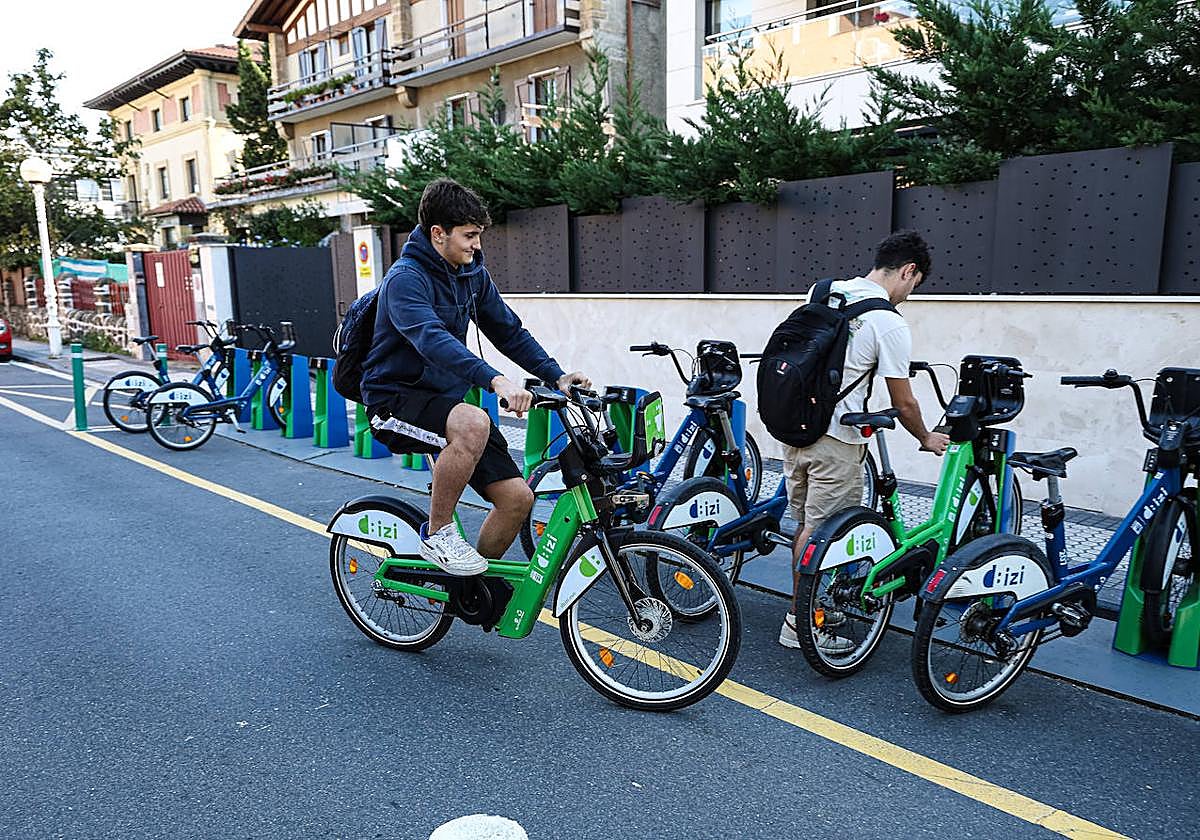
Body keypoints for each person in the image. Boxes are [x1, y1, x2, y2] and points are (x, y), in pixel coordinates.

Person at [361, 178, 590, 575]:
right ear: (438, 234)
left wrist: (556, 376)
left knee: (518, 499)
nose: (477, 244)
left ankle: (470, 590)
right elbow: (431, 340)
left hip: (444, 401)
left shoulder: (471, 275)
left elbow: (508, 332)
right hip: (394, 399)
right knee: (473, 421)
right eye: (469, 235)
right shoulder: (405, 280)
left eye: (478, 234)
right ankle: (438, 534)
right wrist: (496, 380)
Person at [778, 230, 949, 649]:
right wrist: (926, 437)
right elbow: (903, 401)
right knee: (821, 532)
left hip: (796, 427)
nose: (909, 295)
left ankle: (810, 608)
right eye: (914, 285)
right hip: (838, 438)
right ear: (908, 271)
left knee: (805, 526)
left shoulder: (823, 291)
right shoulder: (888, 322)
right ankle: (801, 624)